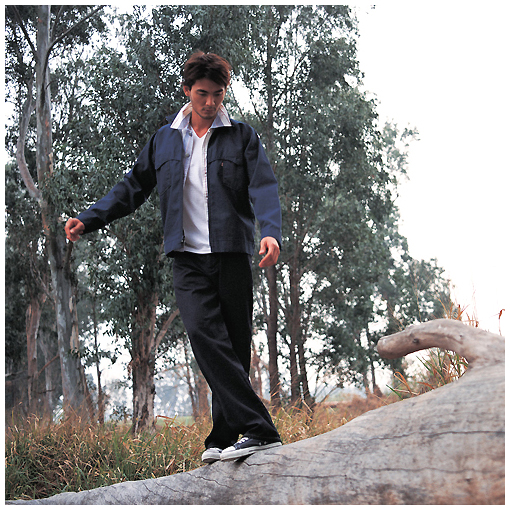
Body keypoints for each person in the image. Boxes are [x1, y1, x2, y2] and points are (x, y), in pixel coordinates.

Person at [65, 52, 282, 463]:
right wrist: (89, 218)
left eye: (218, 94)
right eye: (202, 94)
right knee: (204, 338)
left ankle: (224, 437)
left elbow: (263, 186)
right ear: (187, 90)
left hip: (231, 254)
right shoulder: (165, 140)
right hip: (187, 259)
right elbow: (131, 188)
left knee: (234, 349)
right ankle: (260, 429)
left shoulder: (241, 136)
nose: (210, 102)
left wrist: (270, 231)